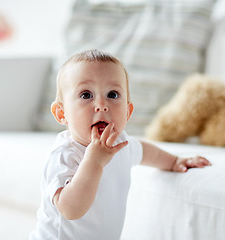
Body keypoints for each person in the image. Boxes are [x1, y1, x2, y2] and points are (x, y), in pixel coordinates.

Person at [29, 49, 211, 240]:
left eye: (113, 95)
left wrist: (174, 162)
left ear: (127, 112)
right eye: (86, 95)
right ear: (61, 113)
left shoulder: (121, 143)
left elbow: (145, 152)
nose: (101, 104)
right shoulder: (65, 154)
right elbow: (70, 210)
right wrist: (94, 162)